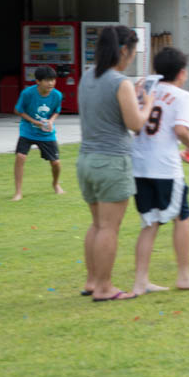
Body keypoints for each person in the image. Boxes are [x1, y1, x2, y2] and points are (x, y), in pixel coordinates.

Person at [78, 25, 155, 302]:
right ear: (123, 50)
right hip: (111, 162)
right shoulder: (119, 82)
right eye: (132, 53)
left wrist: (130, 98)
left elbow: (104, 112)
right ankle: (104, 287)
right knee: (109, 227)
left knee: (97, 224)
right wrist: (148, 103)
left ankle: (91, 281)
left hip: (86, 160)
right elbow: (135, 124)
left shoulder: (87, 76)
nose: (132, 58)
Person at [131, 47, 189, 295]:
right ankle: (184, 276)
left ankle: (141, 281)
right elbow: (180, 130)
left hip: (140, 166)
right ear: (182, 73)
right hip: (165, 170)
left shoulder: (145, 92)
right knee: (181, 217)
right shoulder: (183, 97)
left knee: (149, 222)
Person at [11, 66, 64, 200]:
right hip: (27, 131)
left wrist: (51, 121)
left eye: (53, 80)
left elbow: (57, 110)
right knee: (20, 157)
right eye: (47, 80)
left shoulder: (57, 95)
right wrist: (34, 121)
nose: (51, 83)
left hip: (46, 133)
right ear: (38, 81)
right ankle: (18, 192)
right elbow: (18, 110)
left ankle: (56, 184)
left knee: (56, 163)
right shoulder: (27, 93)